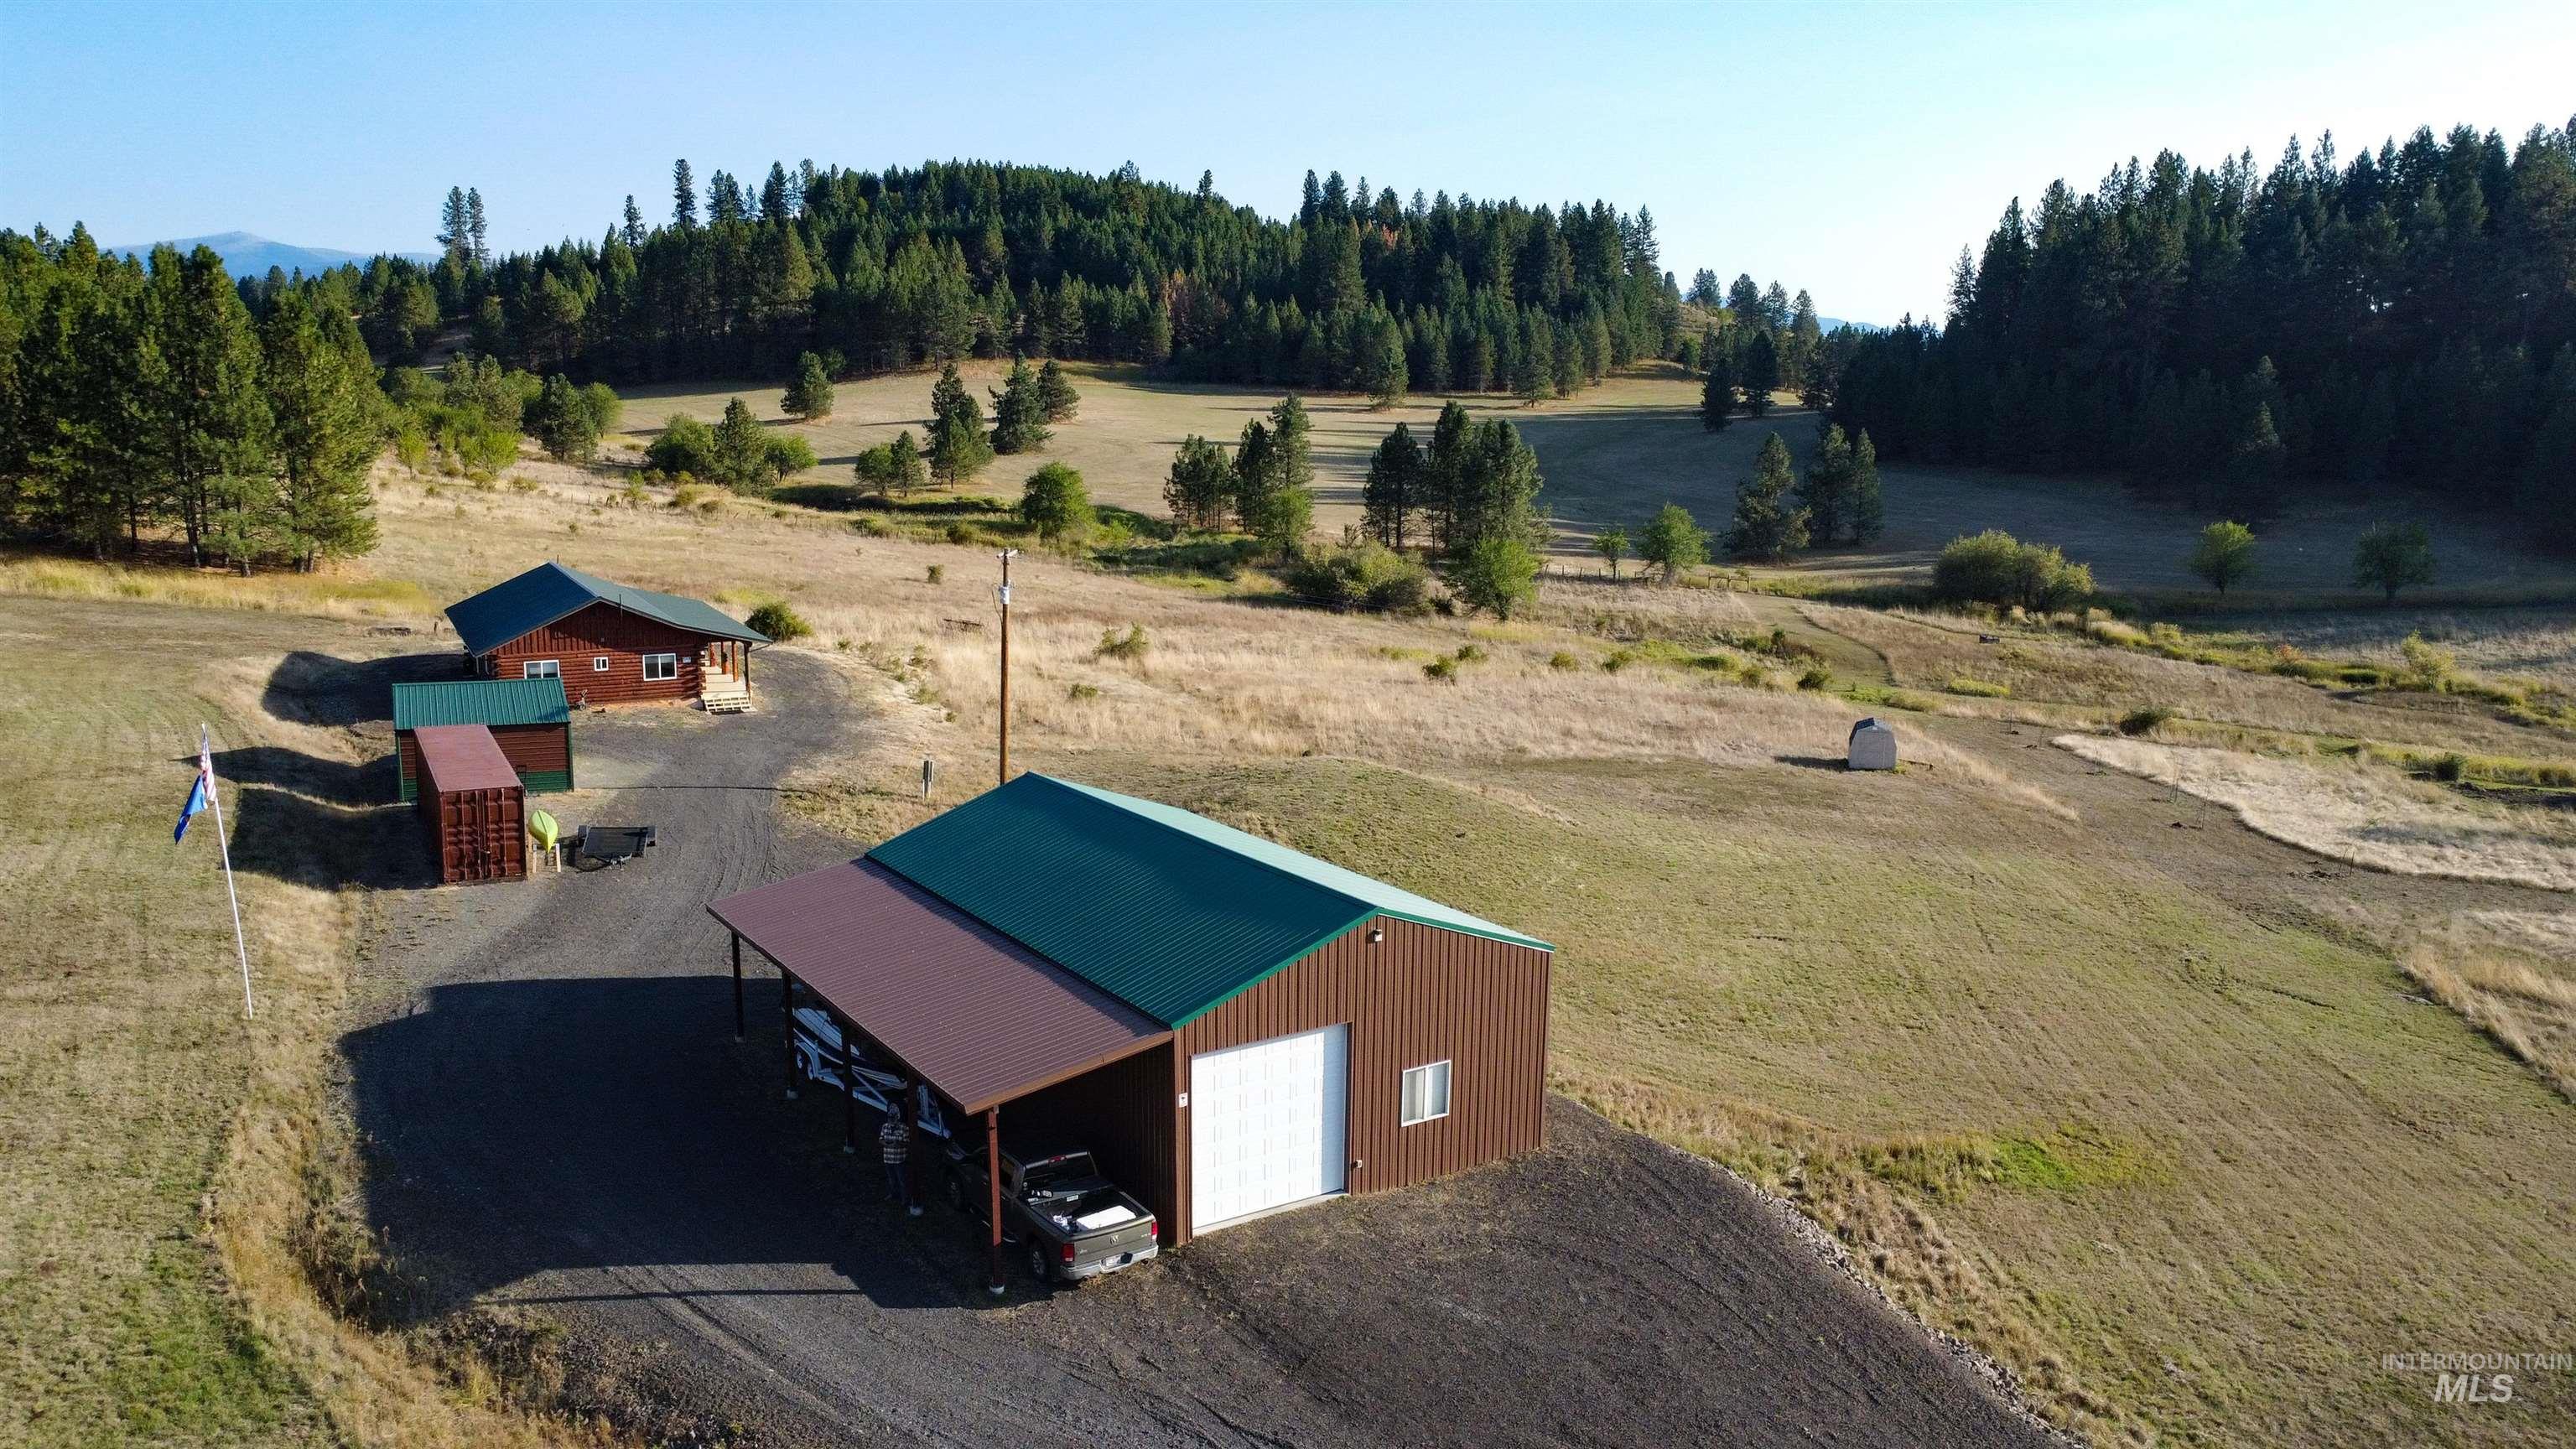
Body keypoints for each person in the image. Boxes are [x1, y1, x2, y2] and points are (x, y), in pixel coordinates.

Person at [879, 1108, 920, 1215]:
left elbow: (907, 1142)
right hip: (887, 1158)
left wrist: (898, 1144)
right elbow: (881, 1139)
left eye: (892, 1118)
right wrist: (886, 1144)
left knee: (902, 1180)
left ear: (897, 1118)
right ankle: (893, 1194)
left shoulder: (904, 1128)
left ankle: (905, 1199)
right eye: (889, 1118)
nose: (890, 1120)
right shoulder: (885, 1126)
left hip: (899, 1159)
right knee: (891, 1179)